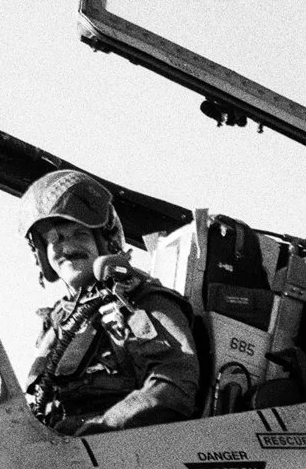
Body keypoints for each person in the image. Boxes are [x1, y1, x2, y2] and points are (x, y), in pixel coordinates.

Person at [19, 170, 199, 435]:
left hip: (123, 448)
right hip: (63, 448)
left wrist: (101, 428)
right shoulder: (58, 321)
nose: (67, 247)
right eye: (55, 238)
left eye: (79, 234)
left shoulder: (140, 302)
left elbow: (173, 385)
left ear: (106, 242)